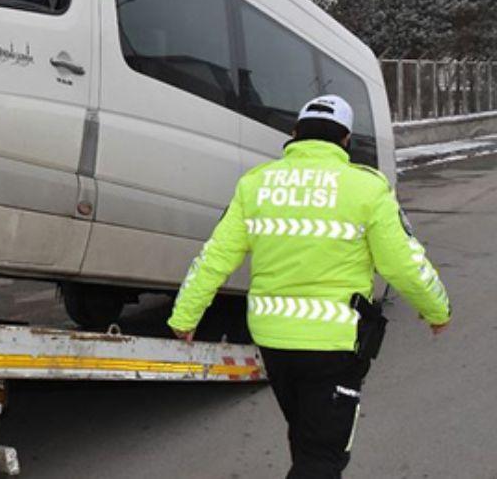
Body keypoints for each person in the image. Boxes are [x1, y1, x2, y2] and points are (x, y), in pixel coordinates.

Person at [167, 95, 451, 479]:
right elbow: (404, 264)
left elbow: (214, 258)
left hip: (274, 341)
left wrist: (185, 316)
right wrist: (437, 310)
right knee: (322, 456)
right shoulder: (366, 188)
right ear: (346, 139)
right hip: (334, 344)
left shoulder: (256, 185)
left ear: (296, 134)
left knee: (305, 439)